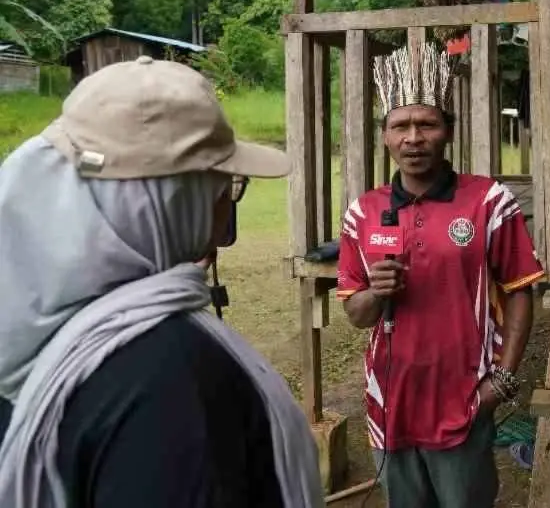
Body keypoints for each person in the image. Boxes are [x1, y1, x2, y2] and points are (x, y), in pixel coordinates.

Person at [0, 57, 325, 508]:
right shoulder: (171, 379)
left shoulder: (36, 337)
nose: (225, 209)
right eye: (224, 186)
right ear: (169, 203)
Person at [336, 44, 543, 507]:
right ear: (385, 137)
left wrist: (502, 380)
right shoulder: (362, 213)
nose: (413, 137)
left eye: (426, 124)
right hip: (390, 399)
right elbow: (355, 313)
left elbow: (522, 291)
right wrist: (375, 290)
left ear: (447, 131)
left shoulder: (488, 201)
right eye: (400, 126)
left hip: (463, 397)